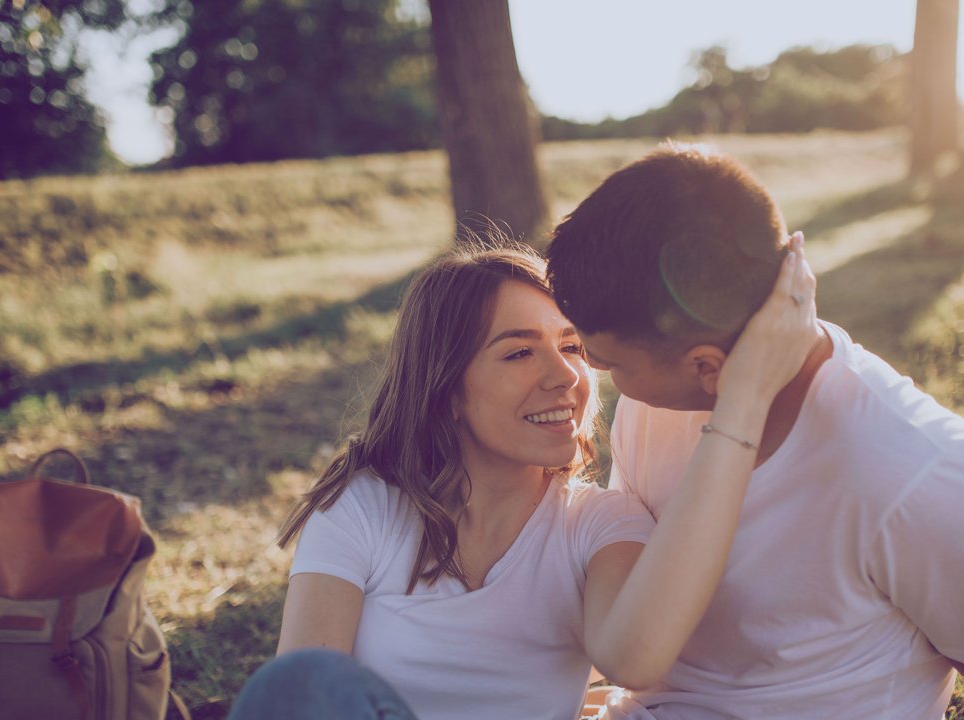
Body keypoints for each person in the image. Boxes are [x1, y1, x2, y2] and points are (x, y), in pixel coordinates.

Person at [545, 143, 964, 720]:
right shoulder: (655, 406)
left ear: (707, 368)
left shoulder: (924, 474)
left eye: (607, 360)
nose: (593, 374)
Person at [228, 241, 818, 720]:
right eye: (518, 354)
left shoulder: (602, 525)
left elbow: (635, 657)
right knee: (298, 685)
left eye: (570, 346)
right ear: (447, 388)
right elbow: (303, 694)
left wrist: (744, 399)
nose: (566, 375)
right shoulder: (363, 508)